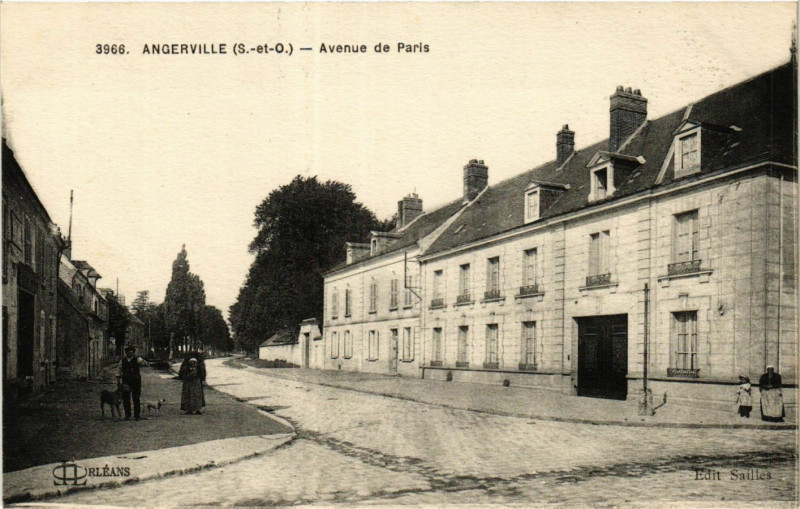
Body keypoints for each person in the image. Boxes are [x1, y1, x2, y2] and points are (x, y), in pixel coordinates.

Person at [117, 345, 148, 421]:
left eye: (132, 352)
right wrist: (118, 380)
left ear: (134, 353)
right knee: (126, 398)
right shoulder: (122, 361)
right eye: (129, 352)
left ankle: (137, 415)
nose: (130, 353)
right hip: (126, 381)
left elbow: (145, 364)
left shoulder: (137, 359)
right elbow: (119, 370)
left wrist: (142, 361)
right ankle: (127, 415)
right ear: (126, 353)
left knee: (136, 398)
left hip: (136, 381)